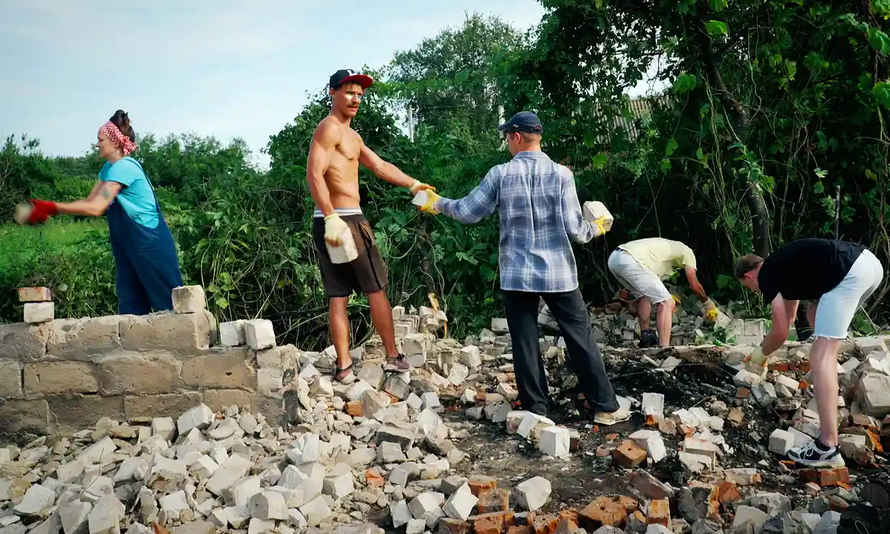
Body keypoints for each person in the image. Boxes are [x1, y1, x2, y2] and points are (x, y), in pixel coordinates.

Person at [416, 111, 626, 424]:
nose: (506, 144)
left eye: (506, 138)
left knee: (525, 340)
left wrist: (435, 201)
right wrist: (598, 226)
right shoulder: (562, 175)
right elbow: (576, 230)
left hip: (517, 273)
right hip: (559, 274)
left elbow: (467, 212)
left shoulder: (500, 175)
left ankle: (537, 410)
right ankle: (605, 408)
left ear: (516, 137)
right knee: (580, 336)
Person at [307, 69, 435, 383]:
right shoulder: (329, 128)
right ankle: (392, 357)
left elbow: (378, 165)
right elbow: (314, 175)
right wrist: (332, 215)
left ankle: (345, 368)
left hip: (333, 221)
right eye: (349, 92)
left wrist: (414, 184)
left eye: (360, 94)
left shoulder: (352, 136)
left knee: (339, 294)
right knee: (375, 287)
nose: (355, 99)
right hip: (342, 220)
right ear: (332, 93)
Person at [735, 238, 884, 467]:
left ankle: (827, 447)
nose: (755, 291)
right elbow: (792, 317)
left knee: (821, 355)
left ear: (749, 277)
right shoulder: (784, 267)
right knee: (815, 314)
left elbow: (781, 333)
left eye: (749, 288)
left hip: (850, 271)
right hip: (870, 265)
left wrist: (759, 356)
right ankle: (830, 389)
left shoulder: (766, 275)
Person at [23, 110, 183, 315]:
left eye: (101, 139)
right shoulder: (108, 169)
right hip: (128, 245)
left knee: (169, 303)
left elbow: (97, 208)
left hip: (149, 243)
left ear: (115, 142)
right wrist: (53, 209)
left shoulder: (125, 167)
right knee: (131, 306)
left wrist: (53, 207)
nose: (97, 144)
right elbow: (89, 202)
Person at [607, 237, 718, 348]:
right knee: (667, 302)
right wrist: (707, 303)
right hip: (630, 260)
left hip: (615, 259)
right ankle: (664, 348)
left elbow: (650, 289)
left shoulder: (666, 252)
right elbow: (694, 285)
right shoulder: (687, 251)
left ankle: (646, 338)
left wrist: (664, 295)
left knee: (644, 297)